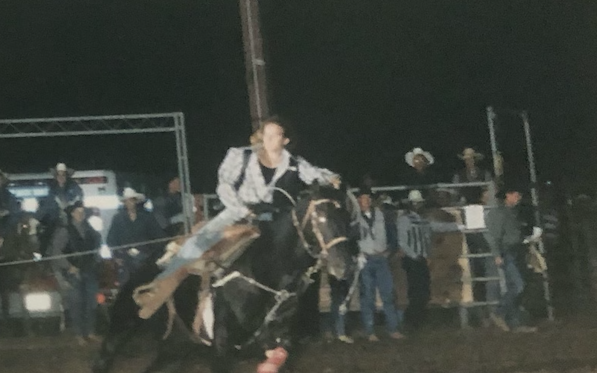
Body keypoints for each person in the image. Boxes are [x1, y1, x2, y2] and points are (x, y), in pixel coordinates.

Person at [152, 115, 340, 284]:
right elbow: (224, 185)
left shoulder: (293, 163)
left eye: (275, 135)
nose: (269, 139)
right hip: (236, 212)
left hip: (271, 216)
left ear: (285, 140)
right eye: (266, 134)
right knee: (199, 241)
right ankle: (165, 280)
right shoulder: (240, 155)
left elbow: (314, 173)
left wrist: (331, 178)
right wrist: (243, 210)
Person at [352, 187, 402, 341]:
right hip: (365, 259)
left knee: (387, 294)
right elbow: (350, 238)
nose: (363, 202)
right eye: (360, 199)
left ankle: (392, 329)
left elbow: (393, 234)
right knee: (368, 296)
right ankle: (370, 331)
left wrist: (390, 250)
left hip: (381, 258)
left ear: (370, 200)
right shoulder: (354, 218)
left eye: (365, 199)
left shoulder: (382, 216)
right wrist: (356, 254)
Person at [485, 186, 537, 333]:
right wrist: (497, 254)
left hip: (513, 251)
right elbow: (494, 236)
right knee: (518, 286)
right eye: (516, 194)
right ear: (508, 195)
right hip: (507, 252)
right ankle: (499, 313)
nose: (518, 197)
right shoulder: (501, 213)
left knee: (514, 286)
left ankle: (513, 321)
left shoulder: (508, 212)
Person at [56, 203, 101, 342]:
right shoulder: (65, 231)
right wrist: (69, 266)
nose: (80, 214)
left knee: (91, 302)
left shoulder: (90, 230)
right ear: (72, 214)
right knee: (76, 303)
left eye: (82, 212)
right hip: (73, 272)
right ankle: (79, 334)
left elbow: (97, 246)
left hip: (89, 270)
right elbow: (56, 252)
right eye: (77, 212)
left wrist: (96, 260)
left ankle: (90, 331)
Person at [104, 187, 163, 286]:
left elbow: (158, 236)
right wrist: (117, 256)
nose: (129, 203)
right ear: (124, 203)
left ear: (135, 201)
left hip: (144, 259)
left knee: (145, 286)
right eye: (127, 201)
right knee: (126, 288)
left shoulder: (146, 217)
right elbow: (111, 240)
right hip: (125, 259)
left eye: (131, 200)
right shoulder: (118, 218)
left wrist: (152, 254)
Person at [396, 189, 437, 331]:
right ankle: (412, 321)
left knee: (423, 291)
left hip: (420, 259)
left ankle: (415, 320)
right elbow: (402, 242)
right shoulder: (405, 219)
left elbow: (434, 228)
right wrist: (415, 256)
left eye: (418, 203)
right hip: (413, 260)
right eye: (415, 203)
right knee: (417, 291)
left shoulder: (422, 219)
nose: (417, 206)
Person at [36, 162, 84, 256]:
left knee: (78, 231)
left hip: (72, 217)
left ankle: (82, 253)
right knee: (45, 234)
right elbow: (46, 206)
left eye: (63, 175)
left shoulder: (74, 187)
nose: (61, 177)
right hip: (56, 218)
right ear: (56, 176)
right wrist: (36, 218)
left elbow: (79, 199)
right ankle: (43, 256)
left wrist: (70, 207)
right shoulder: (52, 190)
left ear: (66, 176)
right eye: (59, 175)